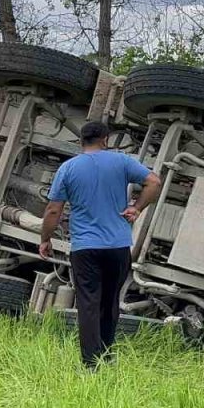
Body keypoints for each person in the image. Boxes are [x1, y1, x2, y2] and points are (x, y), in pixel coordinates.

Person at [40, 121, 163, 369]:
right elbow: (154, 182)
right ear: (105, 139)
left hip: (84, 248)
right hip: (117, 247)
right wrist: (136, 208)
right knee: (109, 302)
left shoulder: (68, 168)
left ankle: (90, 364)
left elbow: (53, 210)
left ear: (81, 141)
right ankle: (107, 356)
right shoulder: (121, 161)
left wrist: (45, 239)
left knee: (88, 304)